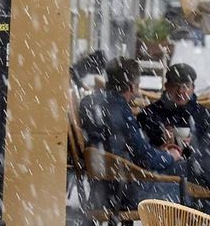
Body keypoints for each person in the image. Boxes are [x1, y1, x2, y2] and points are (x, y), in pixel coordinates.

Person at [78, 56, 185, 203]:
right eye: (137, 84)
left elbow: (128, 148)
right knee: (186, 188)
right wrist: (171, 155)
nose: (138, 90)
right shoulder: (120, 111)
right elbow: (145, 159)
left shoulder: (88, 102)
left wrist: (159, 152)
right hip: (123, 190)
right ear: (130, 87)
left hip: (100, 187)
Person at [137, 63, 210, 151]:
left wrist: (193, 143)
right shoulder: (149, 114)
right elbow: (138, 149)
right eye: (176, 86)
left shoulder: (203, 115)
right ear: (166, 86)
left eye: (186, 86)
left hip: (195, 163)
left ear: (193, 88)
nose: (180, 91)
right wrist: (160, 149)